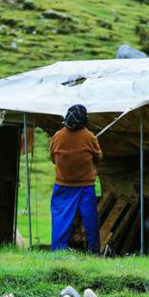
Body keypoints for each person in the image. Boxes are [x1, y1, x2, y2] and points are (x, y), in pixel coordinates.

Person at [49, 104, 103, 253]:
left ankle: (58, 251)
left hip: (62, 185)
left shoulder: (57, 136)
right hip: (85, 186)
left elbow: (53, 158)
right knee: (90, 219)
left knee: (60, 217)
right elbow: (99, 156)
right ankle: (93, 250)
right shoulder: (89, 136)